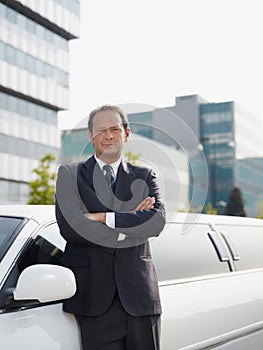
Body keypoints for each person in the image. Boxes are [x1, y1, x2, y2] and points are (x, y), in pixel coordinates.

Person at [55, 105, 166, 350]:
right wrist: (133, 219)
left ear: (126, 134)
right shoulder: (70, 175)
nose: (108, 135)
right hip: (94, 301)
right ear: (90, 136)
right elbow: (72, 228)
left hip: (140, 301)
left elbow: (156, 222)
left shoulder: (145, 175)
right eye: (101, 130)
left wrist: (104, 218)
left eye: (115, 129)